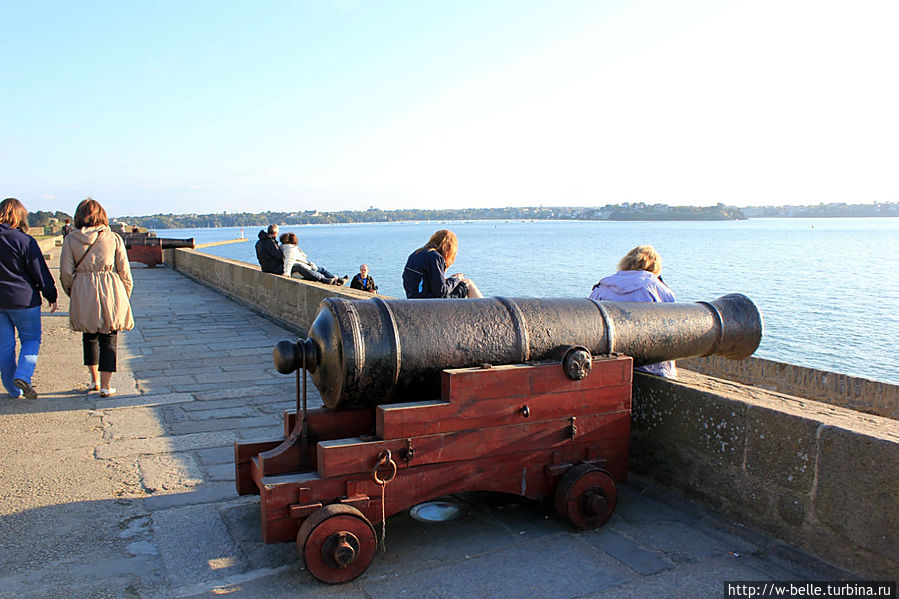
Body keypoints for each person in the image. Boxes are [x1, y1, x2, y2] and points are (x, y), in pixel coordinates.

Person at [60, 198, 134, 397]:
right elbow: (125, 271)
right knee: (109, 338)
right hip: (111, 287)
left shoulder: (70, 239)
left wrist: (72, 292)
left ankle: (93, 380)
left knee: (89, 335)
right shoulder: (113, 238)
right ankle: (106, 385)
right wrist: (124, 295)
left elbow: (66, 273)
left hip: (83, 287)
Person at [0, 198, 58, 399]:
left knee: (4, 347)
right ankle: (24, 374)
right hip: (24, 300)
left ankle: (13, 390)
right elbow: (38, 271)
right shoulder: (24, 241)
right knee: (31, 339)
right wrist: (51, 295)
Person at [589, 245, 677, 378]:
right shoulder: (657, 288)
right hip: (650, 366)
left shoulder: (603, 286)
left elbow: (589, 317)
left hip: (609, 360)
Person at [403, 230, 483, 299]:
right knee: (467, 283)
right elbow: (442, 291)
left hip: (415, 298)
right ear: (448, 248)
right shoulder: (435, 257)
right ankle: (487, 311)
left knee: (457, 285)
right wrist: (456, 279)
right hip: (428, 301)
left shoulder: (416, 254)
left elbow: (428, 283)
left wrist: (449, 280)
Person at [279, 232, 348, 285]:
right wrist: (287, 272)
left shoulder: (285, 247)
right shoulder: (290, 249)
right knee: (320, 271)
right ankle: (335, 280)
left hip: (305, 265)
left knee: (321, 270)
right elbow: (289, 261)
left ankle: (338, 279)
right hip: (303, 268)